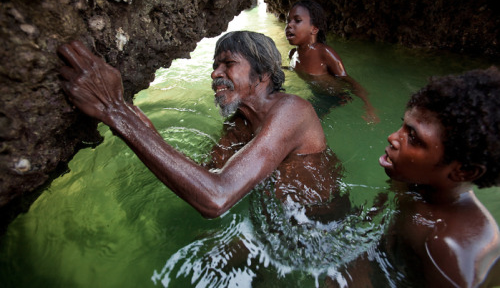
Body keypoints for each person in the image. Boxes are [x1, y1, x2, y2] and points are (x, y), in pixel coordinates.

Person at [57, 31, 346, 219]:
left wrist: (116, 111)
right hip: (278, 222)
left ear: (263, 75)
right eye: (214, 66)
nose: (214, 74)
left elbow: (216, 197)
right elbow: (205, 178)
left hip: (326, 227)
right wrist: (130, 115)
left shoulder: (292, 110)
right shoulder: (239, 125)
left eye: (227, 64)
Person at [378, 67, 500, 287]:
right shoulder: (414, 180)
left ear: (464, 171)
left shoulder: (450, 249)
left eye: (413, 138)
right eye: (403, 126)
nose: (393, 137)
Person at [285, 0, 379, 123]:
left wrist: (369, 106)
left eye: (297, 21)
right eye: (288, 21)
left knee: (301, 122)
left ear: (314, 29)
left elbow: (348, 80)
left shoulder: (324, 53)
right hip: (317, 94)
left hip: (335, 97)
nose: (289, 25)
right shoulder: (293, 54)